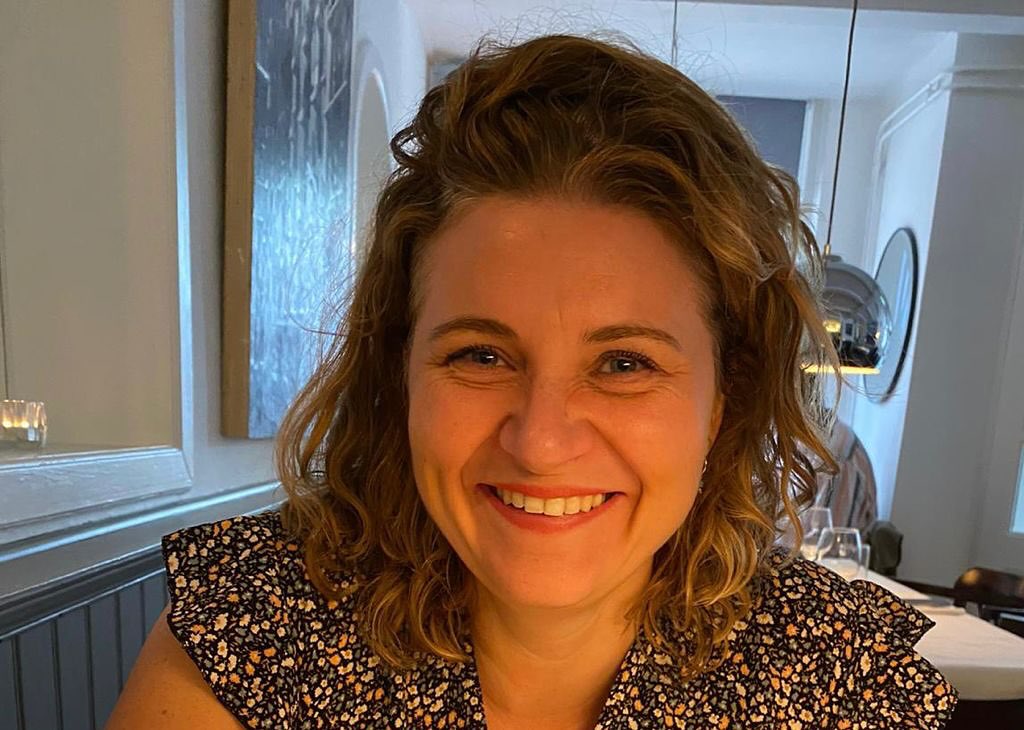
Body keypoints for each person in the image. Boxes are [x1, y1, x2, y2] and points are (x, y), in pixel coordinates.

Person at [108, 34, 956, 729]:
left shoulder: (842, 680)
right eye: (480, 356)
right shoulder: (258, 620)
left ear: (721, 400)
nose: (542, 441)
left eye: (624, 364)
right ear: (400, 372)